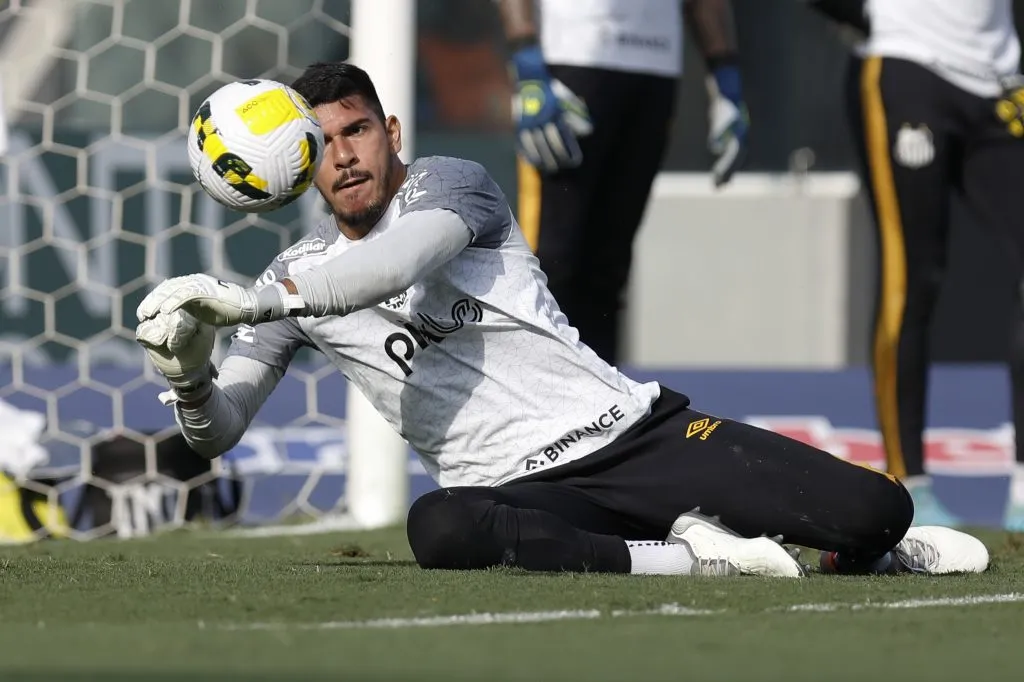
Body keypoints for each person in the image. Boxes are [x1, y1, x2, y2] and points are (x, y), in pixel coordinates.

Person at [135, 61, 988, 577]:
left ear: (391, 132)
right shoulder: (291, 278)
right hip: (520, 493)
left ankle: (848, 553)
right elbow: (218, 431)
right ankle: (690, 557)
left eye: (358, 131)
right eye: (324, 144)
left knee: (881, 512)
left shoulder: (450, 185)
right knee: (440, 525)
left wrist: (250, 301)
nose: (347, 155)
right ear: (301, 166)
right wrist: (189, 376)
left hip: (633, 438)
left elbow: (388, 269)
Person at [807, 0, 1024, 529]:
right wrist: (871, 16)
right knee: (912, 278)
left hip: (1001, 79)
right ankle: (912, 482)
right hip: (907, 66)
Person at [499, 0, 748, 365]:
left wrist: (725, 74)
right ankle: (530, 408)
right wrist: (526, 58)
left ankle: (602, 410)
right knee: (551, 265)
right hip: (572, 53)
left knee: (609, 270)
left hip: (654, 65)